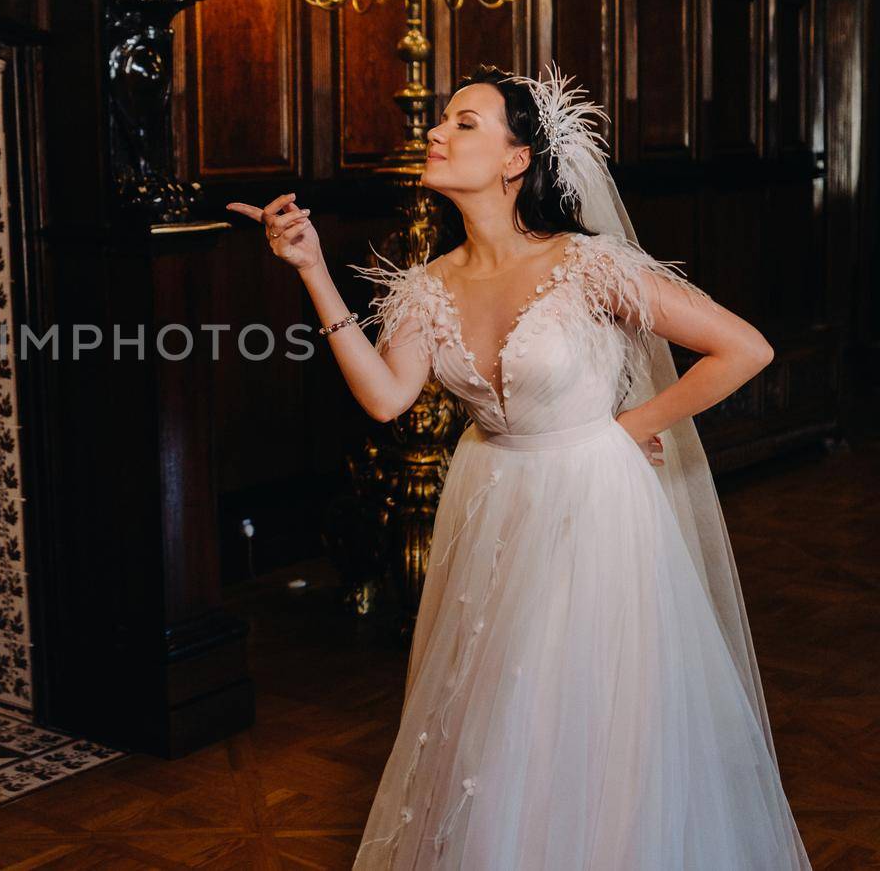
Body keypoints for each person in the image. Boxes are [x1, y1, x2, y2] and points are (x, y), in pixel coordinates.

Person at [228, 65, 810, 869]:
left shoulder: (589, 264)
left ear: (516, 159)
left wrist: (624, 429)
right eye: (441, 120)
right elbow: (387, 397)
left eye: (463, 122)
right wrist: (311, 270)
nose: (435, 132)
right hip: (492, 505)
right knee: (497, 716)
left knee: (580, 707)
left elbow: (744, 348)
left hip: (595, 503)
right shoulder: (428, 286)